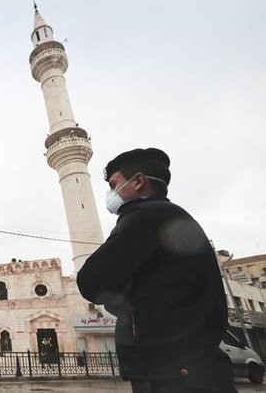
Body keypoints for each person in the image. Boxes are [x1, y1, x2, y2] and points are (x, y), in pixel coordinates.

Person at [76, 148, 235, 393]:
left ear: (138, 181)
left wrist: (124, 298)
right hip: (194, 366)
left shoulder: (145, 216)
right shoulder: (174, 216)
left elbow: (91, 280)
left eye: (113, 184)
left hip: (170, 373)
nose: (110, 193)